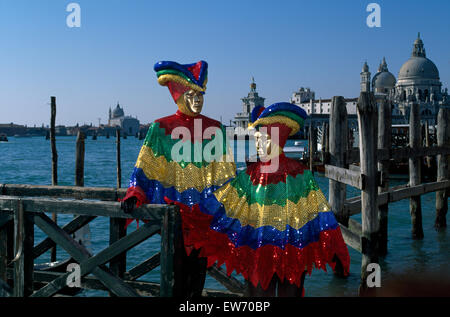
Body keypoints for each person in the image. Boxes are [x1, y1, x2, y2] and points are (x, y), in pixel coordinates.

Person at [170, 102, 350, 297]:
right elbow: (226, 202)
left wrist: (335, 247)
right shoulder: (269, 175)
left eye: (261, 139)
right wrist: (192, 210)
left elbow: (320, 213)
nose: (257, 145)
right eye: (256, 139)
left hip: (279, 253)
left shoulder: (290, 176)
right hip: (274, 252)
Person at [121, 60, 236, 297]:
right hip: (173, 220)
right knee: (175, 281)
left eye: (201, 95)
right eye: (191, 95)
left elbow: (225, 175)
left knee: (197, 282)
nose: (197, 101)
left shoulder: (215, 129)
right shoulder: (160, 128)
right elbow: (146, 168)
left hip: (205, 219)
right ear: (178, 96)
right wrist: (135, 193)